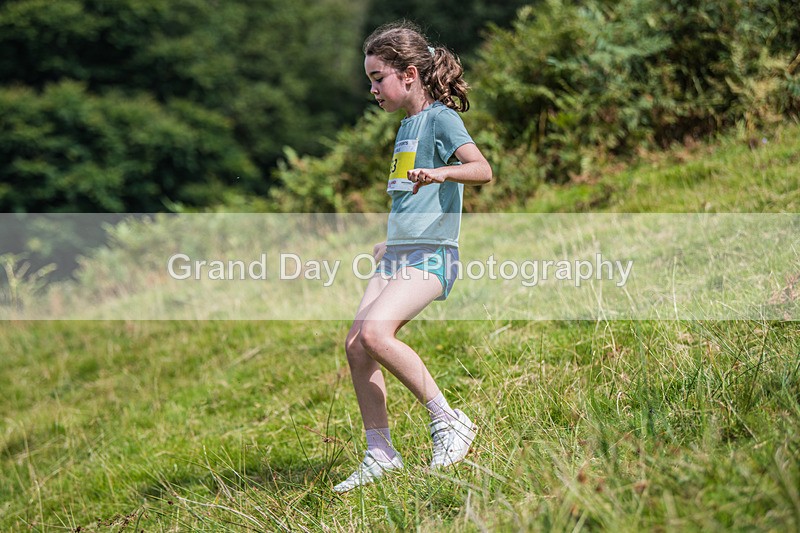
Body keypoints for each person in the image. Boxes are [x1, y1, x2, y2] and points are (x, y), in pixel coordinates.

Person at [333, 21, 493, 493]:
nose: (372, 89)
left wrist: (443, 173)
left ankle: (449, 421)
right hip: (398, 253)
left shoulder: (441, 118)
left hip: (434, 255)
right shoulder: (407, 125)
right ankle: (381, 453)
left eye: (377, 78)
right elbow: (409, 196)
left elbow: (482, 169)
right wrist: (391, 240)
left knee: (376, 334)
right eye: (370, 80)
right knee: (356, 345)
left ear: (408, 74)